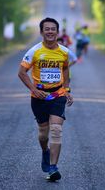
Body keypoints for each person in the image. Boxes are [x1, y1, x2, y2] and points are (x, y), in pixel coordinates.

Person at [18, 17, 74, 182]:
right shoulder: (34, 51)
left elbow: (65, 70)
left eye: (53, 29)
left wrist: (67, 89)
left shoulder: (64, 52)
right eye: (47, 29)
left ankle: (53, 167)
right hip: (39, 97)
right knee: (43, 134)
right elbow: (21, 73)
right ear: (42, 32)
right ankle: (45, 151)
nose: (50, 31)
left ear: (57, 32)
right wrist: (34, 89)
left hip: (57, 95)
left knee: (56, 130)